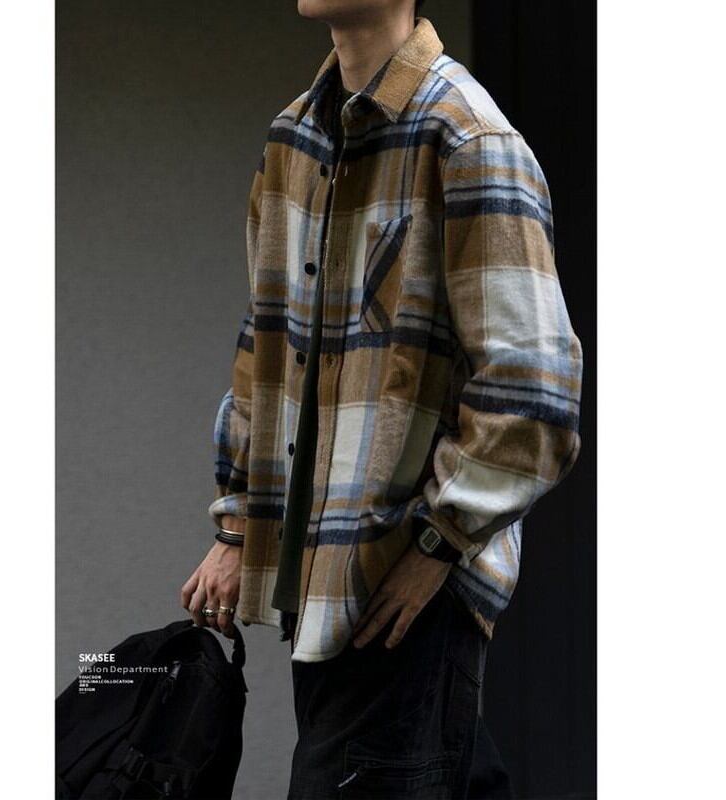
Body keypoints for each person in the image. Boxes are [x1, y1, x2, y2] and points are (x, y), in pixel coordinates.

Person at [181, 1, 582, 797]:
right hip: (318, 595)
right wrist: (237, 525)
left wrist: (438, 545)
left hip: (403, 597)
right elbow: (267, 350)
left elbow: (533, 386)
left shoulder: (467, 138)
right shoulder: (295, 138)